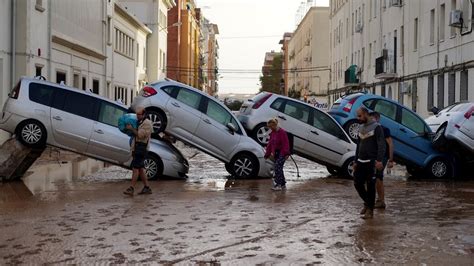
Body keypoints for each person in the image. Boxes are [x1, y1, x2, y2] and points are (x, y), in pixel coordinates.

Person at [353, 107, 386, 219]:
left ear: (366, 114)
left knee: (371, 186)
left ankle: (370, 211)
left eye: (360, 116)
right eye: (357, 116)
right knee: (357, 183)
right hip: (360, 161)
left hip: (372, 162)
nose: (358, 118)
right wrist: (355, 161)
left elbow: (382, 145)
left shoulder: (377, 127)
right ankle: (368, 203)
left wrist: (379, 160)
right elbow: (358, 146)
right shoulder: (361, 127)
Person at [123, 106, 153, 196]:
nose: (137, 116)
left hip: (142, 149)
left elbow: (140, 135)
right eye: (136, 114)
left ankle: (131, 188)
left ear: (144, 114)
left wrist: (131, 128)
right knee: (140, 169)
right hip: (137, 148)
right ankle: (147, 188)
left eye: (139, 114)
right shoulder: (139, 122)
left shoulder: (147, 124)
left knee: (135, 168)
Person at [369, 111, 394, 209]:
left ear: (377, 119)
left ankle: (381, 201)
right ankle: (377, 200)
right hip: (374, 156)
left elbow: (390, 144)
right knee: (373, 178)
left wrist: (391, 160)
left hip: (382, 157)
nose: (371, 121)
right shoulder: (370, 129)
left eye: (372, 119)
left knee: (378, 177)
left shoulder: (384, 129)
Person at [264, 118, 290, 191]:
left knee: (277, 167)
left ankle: (278, 184)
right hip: (276, 153)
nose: (270, 128)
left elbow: (286, 144)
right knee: (279, 168)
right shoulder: (272, 133)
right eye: (269, 127)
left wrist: (286, 153)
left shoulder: (282, 132)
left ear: (275, 125)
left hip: (283, 152)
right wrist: (267, 154)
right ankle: (283, 185)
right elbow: (270, 144)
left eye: (271, 127)